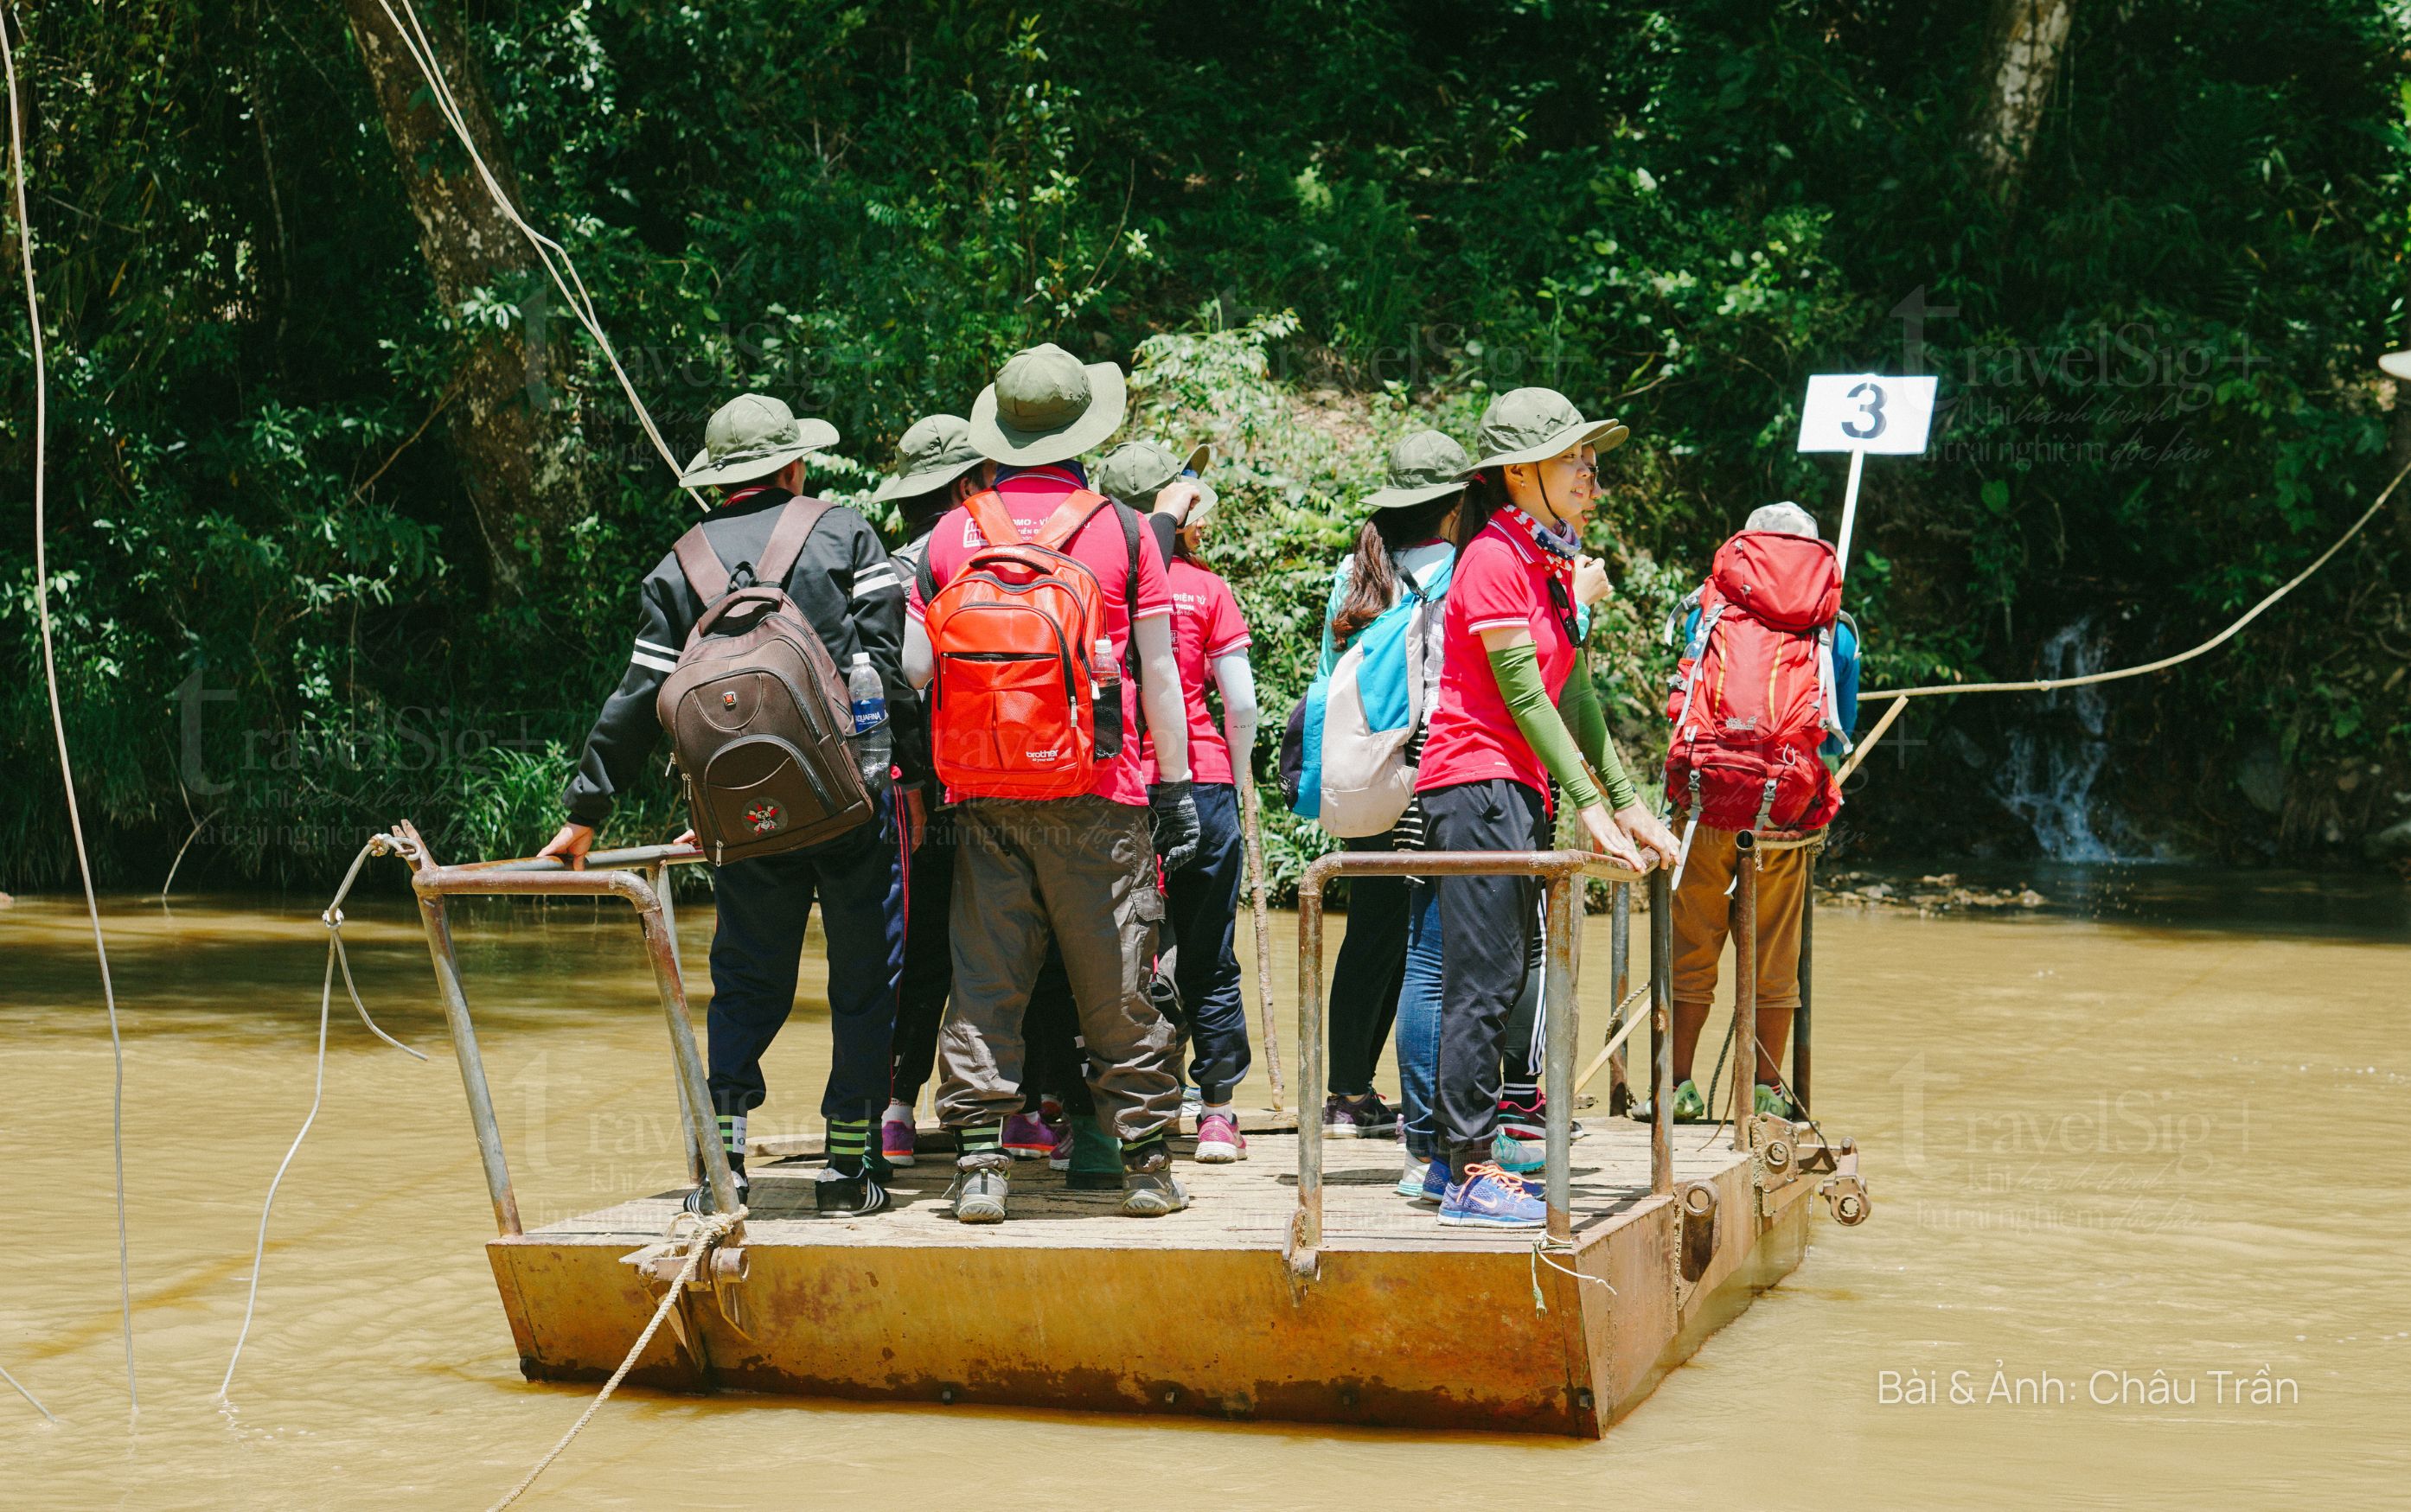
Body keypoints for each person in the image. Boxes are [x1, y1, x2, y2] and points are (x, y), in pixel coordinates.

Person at [538, 392, 907, 1216]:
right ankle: (849, 1170)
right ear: (794, 463)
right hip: (851, 806)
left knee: (745, 979)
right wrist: (901, 780)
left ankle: (723, 1160)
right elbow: (887, 667)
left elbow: (638, 695)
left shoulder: (679, 567)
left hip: (740, 816)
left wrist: (585, 809)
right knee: (862, 976)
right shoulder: (845, 533)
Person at [902, 342, 1198, 1222]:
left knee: (985, 976)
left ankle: (981, 1169)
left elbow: (917, 668)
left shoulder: (949, 532)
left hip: (983, 793)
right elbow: (1159, 674)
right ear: (1083, 432)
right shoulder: (1126, 530)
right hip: (1099, 790)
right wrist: (1176, 791)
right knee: (1115, 975)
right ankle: (1144, 1167)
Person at [1412, 386, 1679, 1229]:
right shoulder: (1492, 557)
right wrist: (1589, 805)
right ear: (1518, 471)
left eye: (1590, 459)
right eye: (1571, 457)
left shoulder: (1547, 561)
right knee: (1481, 985)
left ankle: (1458, 1159)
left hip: (1514, 788)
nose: (1587, 473)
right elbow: (1523, 695)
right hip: (1474, 783)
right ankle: (1461, 1172)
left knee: (1503, 976)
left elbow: (1578, 697)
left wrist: (1630, 803)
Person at [1661, 501, 1859, 1123]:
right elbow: (1833, 733)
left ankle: (1677, 1087)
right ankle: (1768, 1095)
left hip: (1705, 801)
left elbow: (1681, 695)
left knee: (1691, 946)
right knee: (1775, 952)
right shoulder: (1834, 628)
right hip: (1783, 814)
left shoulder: (1707, 607)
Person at [1308, 430, 1469, 1183]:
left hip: (1368, 769)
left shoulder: (1355, 570)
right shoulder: (1460, 571)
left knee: (1369, 934)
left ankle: (1345, 1094)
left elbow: (1325, 682)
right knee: (1428, 949)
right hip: (1436, 767)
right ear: (1453, 507)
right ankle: (1422, 1106)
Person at [1097, 439, 1258, 1164]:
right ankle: (1217, 1112)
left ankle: (1112, 1110)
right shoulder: (1211, 591)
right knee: (1208, 951)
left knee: (1114, 949)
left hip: (1123, 786)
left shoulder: (1096, 582)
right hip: (1206, 782)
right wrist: (1242, 773)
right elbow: (1243, 703)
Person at [869, 414, 994, 1171]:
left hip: (908, 791)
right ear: (965, 486)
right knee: (999, 944)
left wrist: (907, 780)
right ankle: (1018, 1111)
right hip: (989, 780)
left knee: (909, 950)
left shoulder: (881, 567)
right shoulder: (974, 561)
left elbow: (883, 686)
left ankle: (894, 1109)